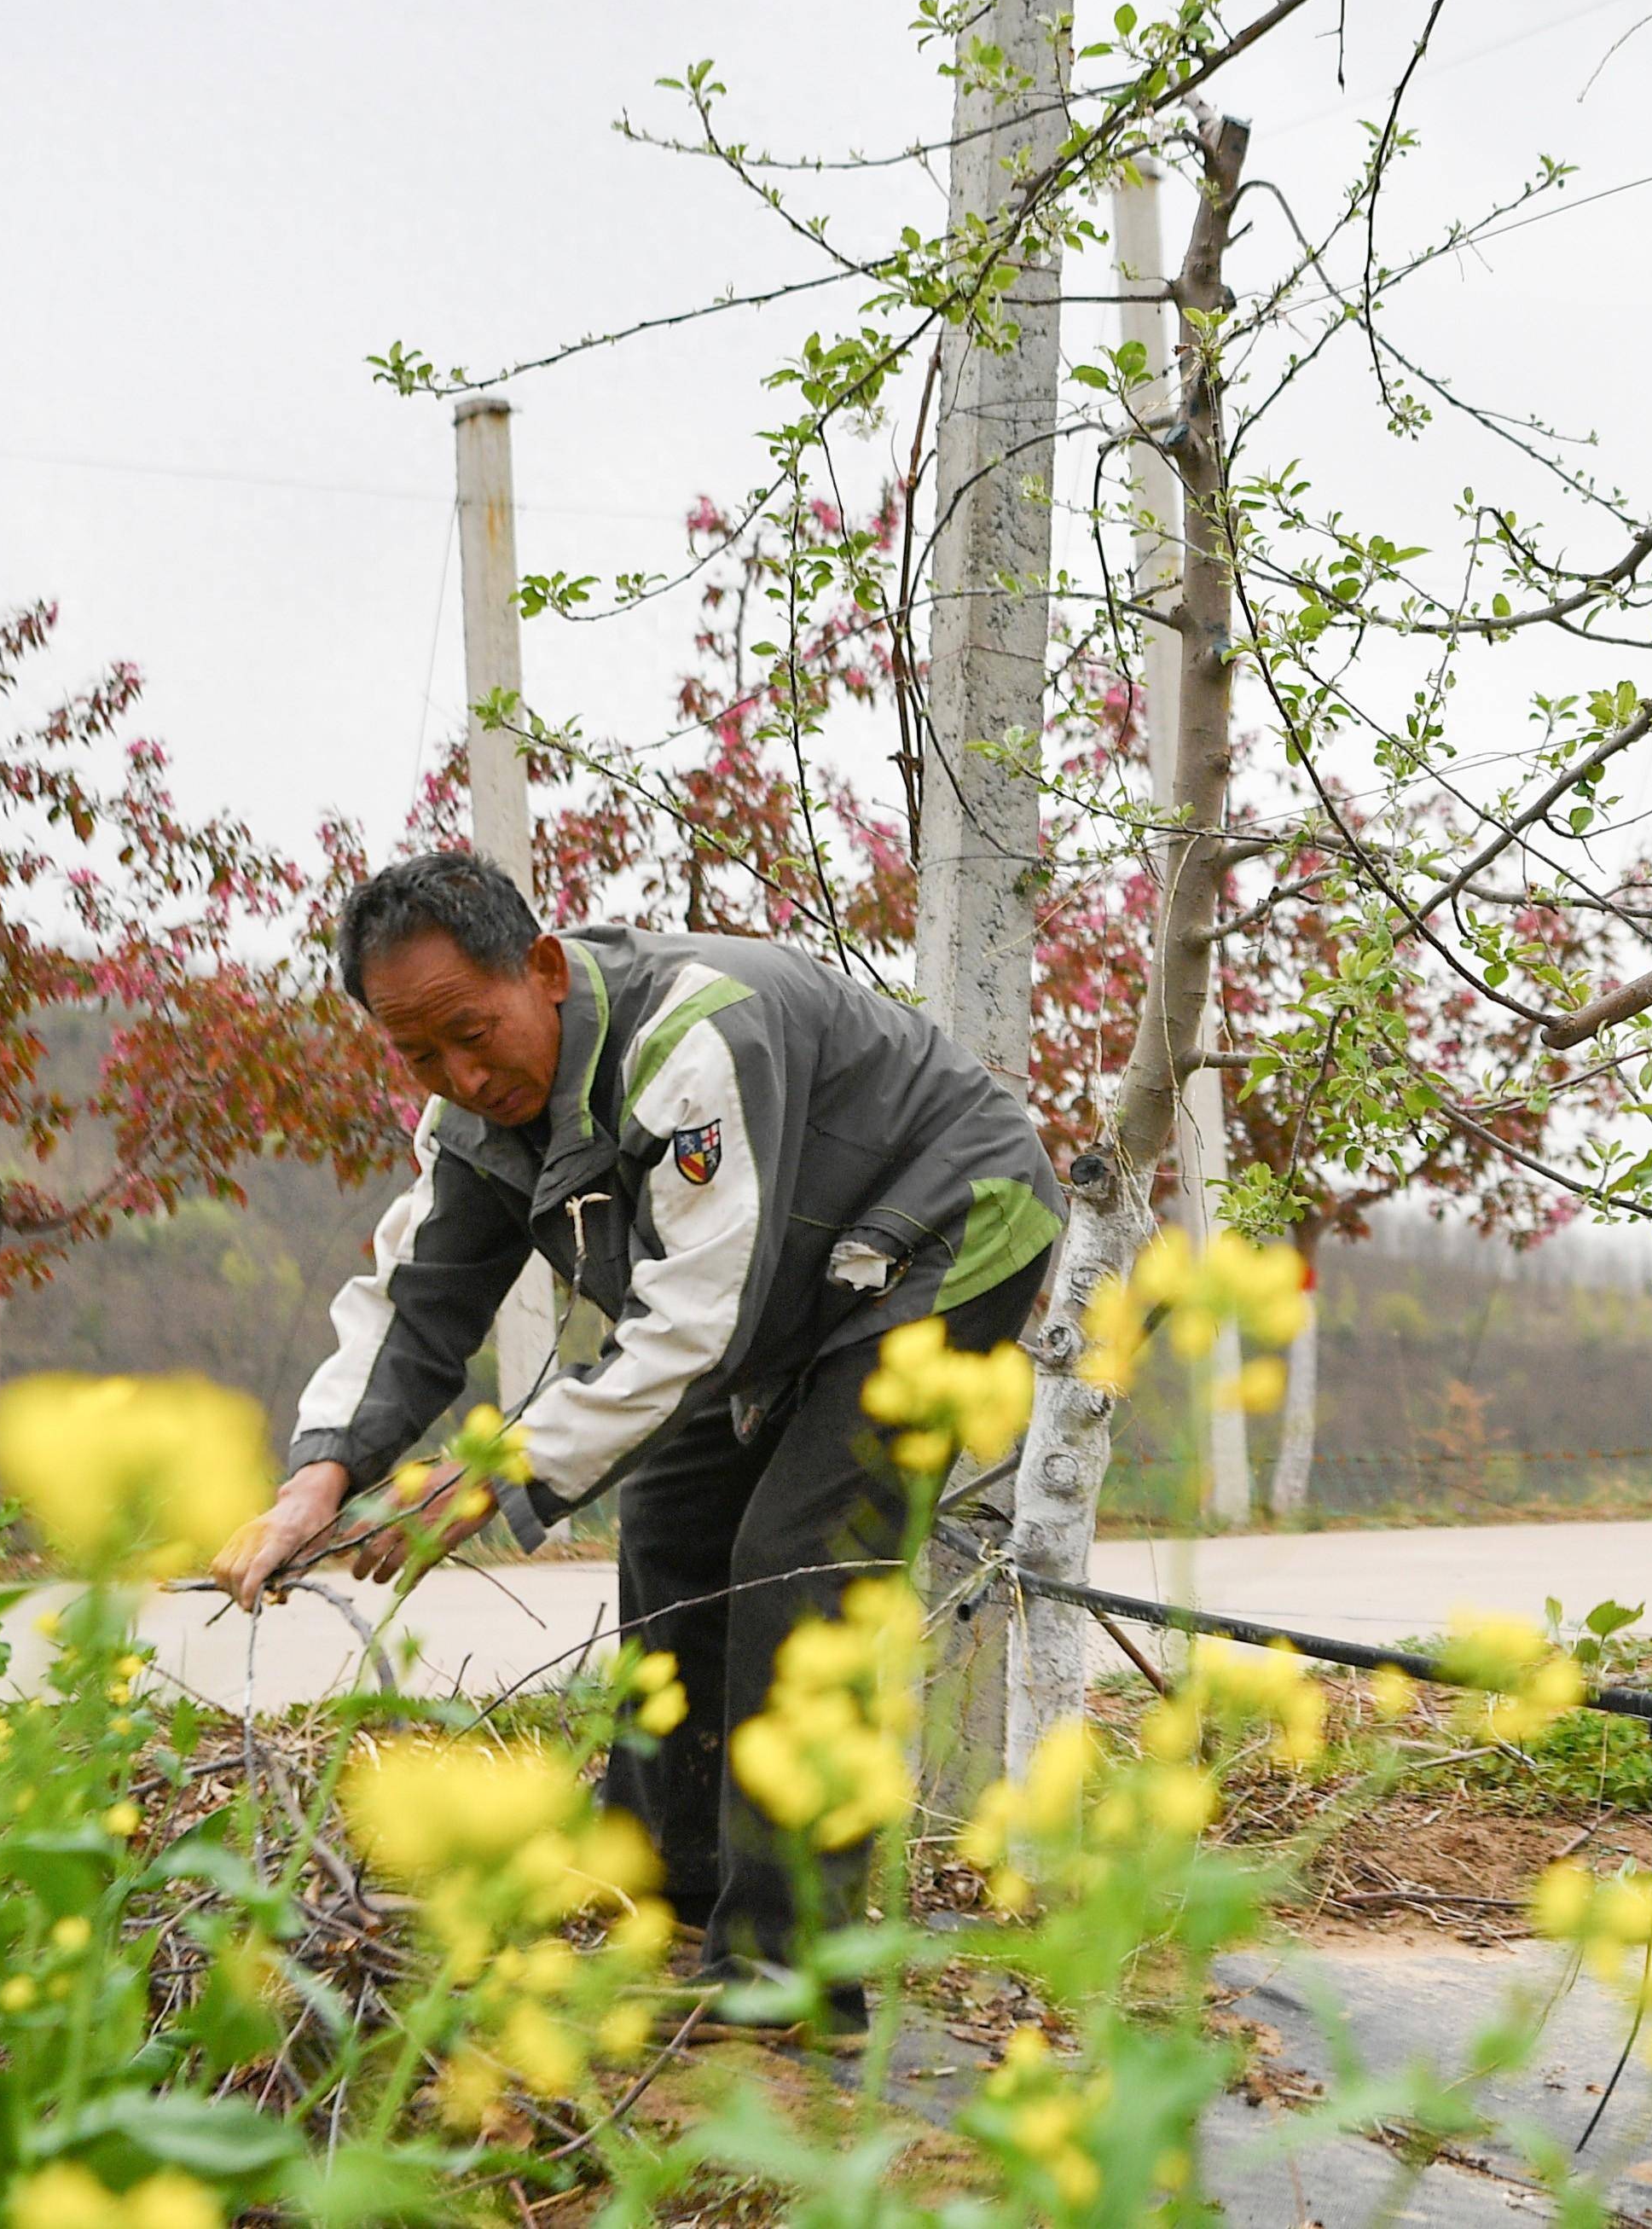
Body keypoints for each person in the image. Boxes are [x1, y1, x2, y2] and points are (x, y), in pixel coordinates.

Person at [212, 850, 1061, 1994]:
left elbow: (689, 1330)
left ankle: (791, 1974)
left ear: (545, 970)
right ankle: (666, 1887)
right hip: (790, 1278)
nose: (461, 1073)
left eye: (475, 1030)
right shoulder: (471, 1118)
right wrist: (318, 1477)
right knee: (668, 1518)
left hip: (949, 1234)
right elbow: (418, 1301)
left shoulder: (693, 1045)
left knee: (796, 1563)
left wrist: (480, 1481)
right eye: (420, 1054)